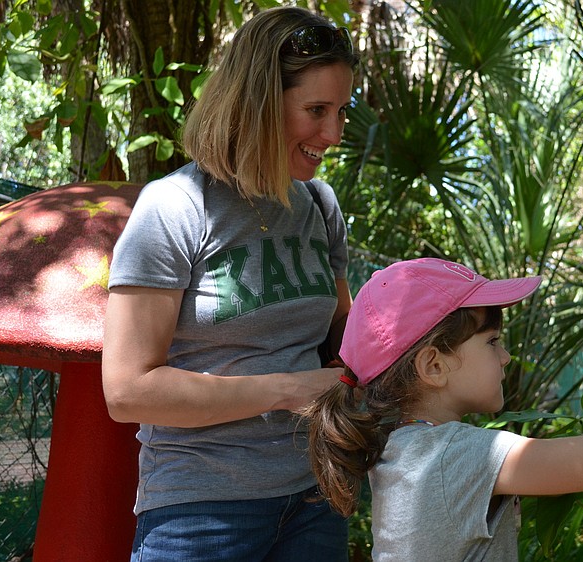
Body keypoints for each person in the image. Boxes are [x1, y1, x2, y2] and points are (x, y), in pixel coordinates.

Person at [102, 6, 358, 561]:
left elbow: (343, 338)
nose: (333, 134)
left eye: (341, 111)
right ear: (261, 100)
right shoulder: (174, 208)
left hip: (314, 499)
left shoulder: (319, 204)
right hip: (202, 511)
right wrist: (290, 389)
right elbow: (126, 392)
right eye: (316, 109)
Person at [302, 257, 583, 561]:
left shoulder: (413, 449)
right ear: (434, 366)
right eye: (492, 342)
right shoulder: (450, 457)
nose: (507, 357)